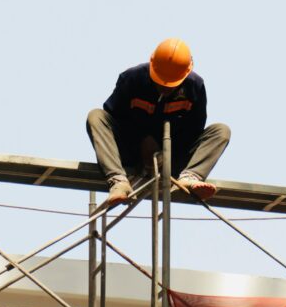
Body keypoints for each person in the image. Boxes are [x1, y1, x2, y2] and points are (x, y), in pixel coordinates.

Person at [86, 38, 231, 204]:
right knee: (96, 116)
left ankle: (189, 178)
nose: (165, 88)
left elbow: (194, 130)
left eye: (171, 85)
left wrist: (166, 153)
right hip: (130, 154)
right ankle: (118, 182)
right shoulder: (132, 79)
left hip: (173, 160)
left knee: (221, 131)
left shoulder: (194, 86)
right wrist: (142, 140)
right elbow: (114, 119)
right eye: (160, 83)